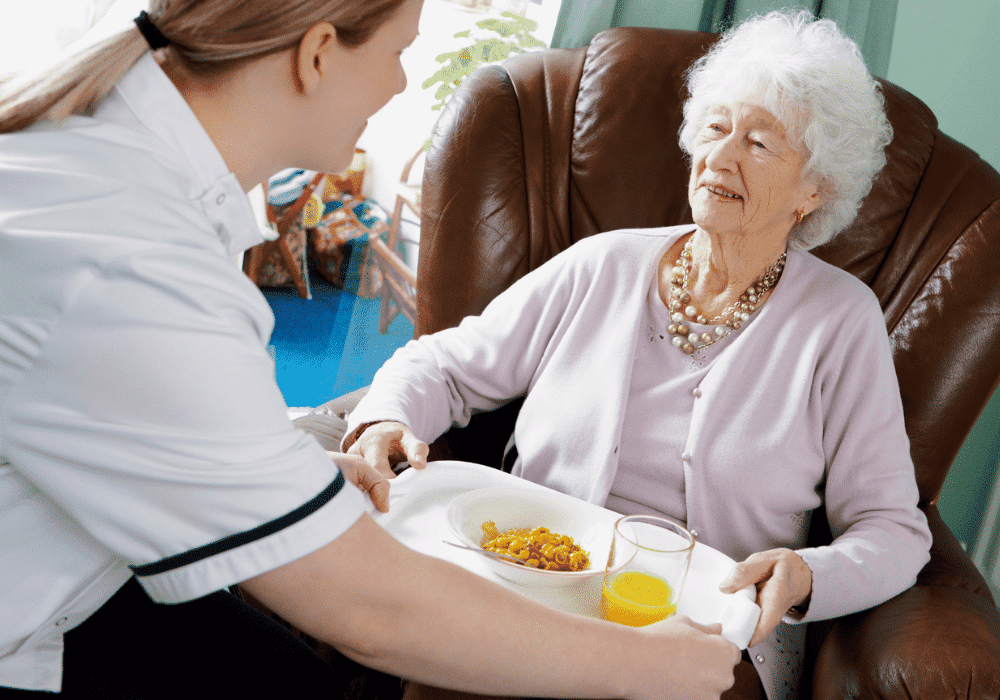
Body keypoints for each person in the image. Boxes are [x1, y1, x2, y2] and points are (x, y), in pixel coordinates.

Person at [0, 1, 742, 698]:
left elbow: (108, 399)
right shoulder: (136, 256)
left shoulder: (116, 154)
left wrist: (269, 473)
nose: (397, 82)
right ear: (318, 53)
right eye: (397, 52)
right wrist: (653, 666)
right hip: (39, 615)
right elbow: (370, 611)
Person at [340, 10, 933, 700]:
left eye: (761, 143)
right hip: (532, 584)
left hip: (700, 634)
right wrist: (383, 419)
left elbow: (895, 530)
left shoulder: (840, 323)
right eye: (715, 128)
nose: (721, 156)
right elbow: (443, 364)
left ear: (816, 189)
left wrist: (806, 576)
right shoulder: (602, 264)